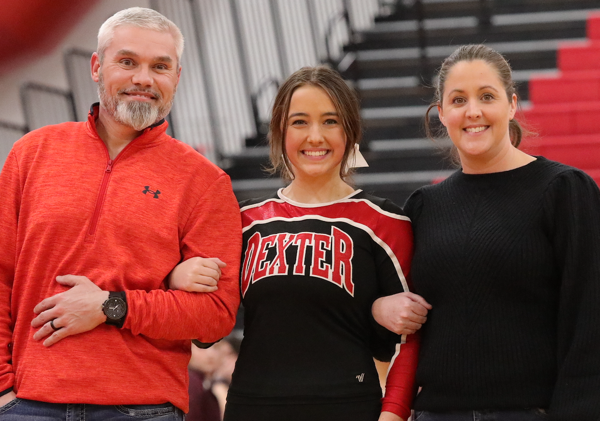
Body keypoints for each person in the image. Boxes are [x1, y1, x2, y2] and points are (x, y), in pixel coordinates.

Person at [0, 7, 241, 420]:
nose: (143, 79)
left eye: (159, 66)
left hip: (143, 409)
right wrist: (4, 389)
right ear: (97, 67)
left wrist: (112, 306)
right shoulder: (32, 153)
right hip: (29, 405)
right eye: (127, 62)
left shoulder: (205, 182)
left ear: (176, 78)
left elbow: (216, 315)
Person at [171, 66, 428, 421]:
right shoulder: (244, 221)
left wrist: (394, 414)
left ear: (350, 130)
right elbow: (206, 330)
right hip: (252, 407)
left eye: (330, 121)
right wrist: (178, 277)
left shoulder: (385, 222)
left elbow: (409, 338)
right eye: (300, 122)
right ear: (279, 131)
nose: (315, 136)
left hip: (349, 408)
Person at [373, 44, 600, 420]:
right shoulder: (424, 206)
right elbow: (400, 333)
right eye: (458, 99)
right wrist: (379, 308)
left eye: (487, 96)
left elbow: (590, 323)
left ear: (512, 105)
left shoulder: (564, 191)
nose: (473, 111)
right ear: (442, 114)